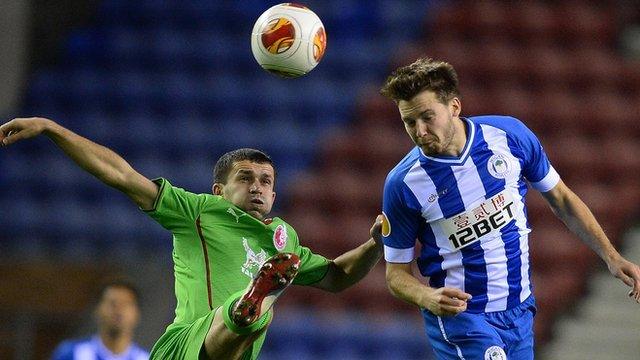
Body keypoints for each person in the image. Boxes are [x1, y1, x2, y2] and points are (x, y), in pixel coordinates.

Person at [0, 119, 383, 360]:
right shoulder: (199, 210)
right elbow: (121, 175)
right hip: (184, 344)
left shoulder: (285, 241)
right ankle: (247, 306)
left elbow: (337, 276)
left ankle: (248, 308)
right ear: (219, 190)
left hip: (235, 351)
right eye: (245, 178)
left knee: (257, 313)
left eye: (266, 181)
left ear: (274, 195)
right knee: (258, 311)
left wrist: (375, 245)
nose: (257, 188)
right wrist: (53, 129)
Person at [378, 58, 640, 360]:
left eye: (427, 117)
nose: (420, 131)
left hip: (520, 310)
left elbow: (563, 199)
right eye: (409, 122)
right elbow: (395, 274)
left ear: (454, 107)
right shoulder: (404, 183)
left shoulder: (509, 136)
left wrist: (611, 256)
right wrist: (427, 296)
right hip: (464, 317)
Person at [51, 280, 149, 360]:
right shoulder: (72, 353)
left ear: (137, 313)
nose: (119, 310)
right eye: (112, 303)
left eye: (125, 304)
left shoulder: (147, 358)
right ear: (97, 310)